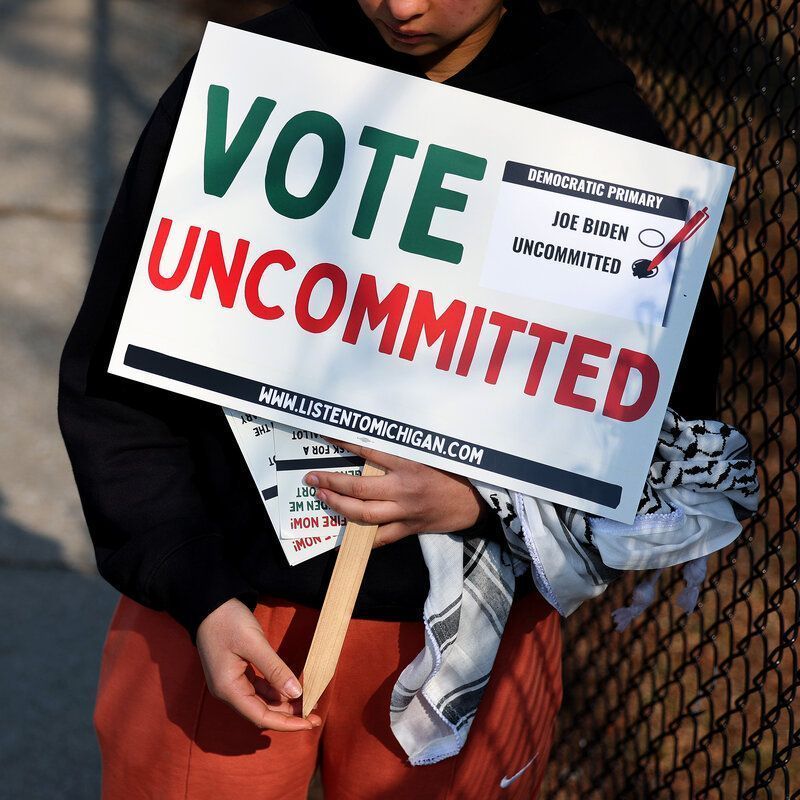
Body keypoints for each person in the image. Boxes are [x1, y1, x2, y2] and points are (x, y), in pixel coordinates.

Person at [58, 1, 728, 797]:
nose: (401, 4)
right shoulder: (252, 80)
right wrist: (193, 587)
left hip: (461, 632)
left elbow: (654, 431)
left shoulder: (602, 133)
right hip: (214, 598)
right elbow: (116, 379)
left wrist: (484, 499)